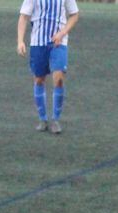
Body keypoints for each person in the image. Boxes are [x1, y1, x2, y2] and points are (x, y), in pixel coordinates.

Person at [17, 0, 79, 134]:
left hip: (59, 43)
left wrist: (62, 33)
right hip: (38, 42)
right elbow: (24, 16)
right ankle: (43, 119)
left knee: (59, 78)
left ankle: (55, 120)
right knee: (39, 79)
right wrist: (20, 41)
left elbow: (74, 15)